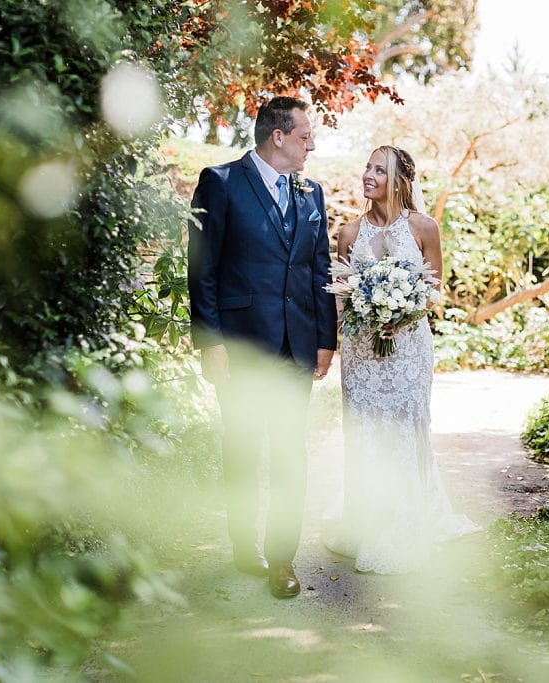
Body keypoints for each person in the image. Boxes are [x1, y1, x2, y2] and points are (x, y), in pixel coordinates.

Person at [187, 96, 338, 599]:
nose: (311, 143)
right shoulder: (220, 183)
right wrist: (211, 342)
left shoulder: (312, 193)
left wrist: (325, 339)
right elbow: (202, 269)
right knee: (244, 450)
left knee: (291, 454)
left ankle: (283, 559)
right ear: (278, 136)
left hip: (296, 348)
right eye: (304, 135)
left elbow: (320, 270)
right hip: (242, 348)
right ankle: (242, 543)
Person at [325, 145, 479, 574]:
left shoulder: (424, 227)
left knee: (406, 429)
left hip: (408, 347)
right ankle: (365, 523)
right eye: (367, 167)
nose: (368, 174)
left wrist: (401, 313)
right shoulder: (349, 235)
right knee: (365, 431)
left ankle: (405, 527)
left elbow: (433, 290)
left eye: (379, 169)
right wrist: (366, 316)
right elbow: (340, 297)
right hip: (361, 354)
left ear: (400, 180)